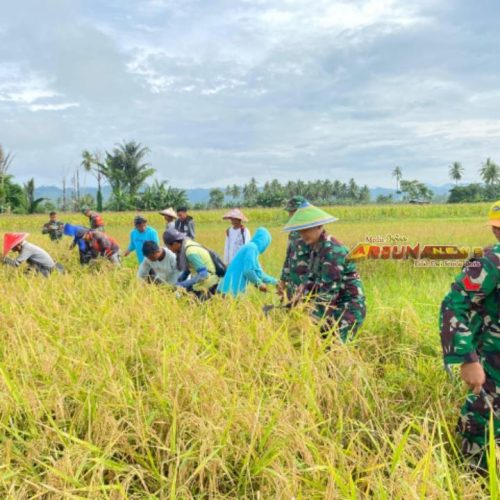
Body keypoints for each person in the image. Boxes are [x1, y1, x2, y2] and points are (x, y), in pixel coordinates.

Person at [439, 200, 500, 471]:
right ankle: (474, 473)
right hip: (493, 356)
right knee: (483, 415)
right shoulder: (488, 263)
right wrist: (467, 358)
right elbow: (453, 303)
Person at [282, 201, 366, 342]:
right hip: (332, 308)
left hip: (347, 309)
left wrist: (308, 322)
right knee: (321, 347)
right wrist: (294, 302)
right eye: (300, 231)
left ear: (319, 227)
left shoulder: (332, 251)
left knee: (335, 351)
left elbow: (327, 294)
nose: (302, 236)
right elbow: (310, 280)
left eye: (306, 230)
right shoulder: (316, 248)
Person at [218, 227, 277, 296]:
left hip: (228, 289)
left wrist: (276, 282)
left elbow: (259, 273)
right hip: (231, 290)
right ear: (264, 242)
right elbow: (248, 271)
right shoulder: (252, 248)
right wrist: (259, 284)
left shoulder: (251, 248)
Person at [163, 228, 219, 299]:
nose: (170, 250)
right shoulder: (187, 245)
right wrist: (180, 279)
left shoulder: (190, 252)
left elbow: (203, 274)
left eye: (169, 247)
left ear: (175, 244)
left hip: (208, 286)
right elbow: (191, 267)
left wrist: (183, 284)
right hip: (200, 285)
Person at [278, 196, 311, 301]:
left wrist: (305, 284)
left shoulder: (312, 232)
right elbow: (288, 258)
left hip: (306, 287)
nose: (289, 215)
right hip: (292, 286)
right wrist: (283, 281)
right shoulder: (293, 233)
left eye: (291, 212)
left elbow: (317, 262)